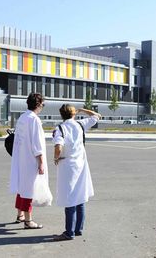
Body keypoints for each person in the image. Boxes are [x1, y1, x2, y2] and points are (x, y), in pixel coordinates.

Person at [52, 104, 101, 241]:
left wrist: (56, 157)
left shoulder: (60, 128)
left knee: (69, 199)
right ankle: (78, 229)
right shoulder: (80, 124)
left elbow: (58, 146)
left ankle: (69, 232)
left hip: (68, 166)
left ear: (61, 115)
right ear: (74, 114)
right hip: (81, 164)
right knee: (80, 197)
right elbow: (97, 116)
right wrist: (82, 110)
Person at [9, 93, 47, 229]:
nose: (43, 107)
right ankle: (28, 220)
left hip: (21, 157)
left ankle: (20, 214)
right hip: (30, 158)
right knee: (28, 189)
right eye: (42, 104)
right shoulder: (34, 120)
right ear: (37, 104)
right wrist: (41, 162)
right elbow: (37, 143)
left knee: (22, 186)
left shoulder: (23, 117)